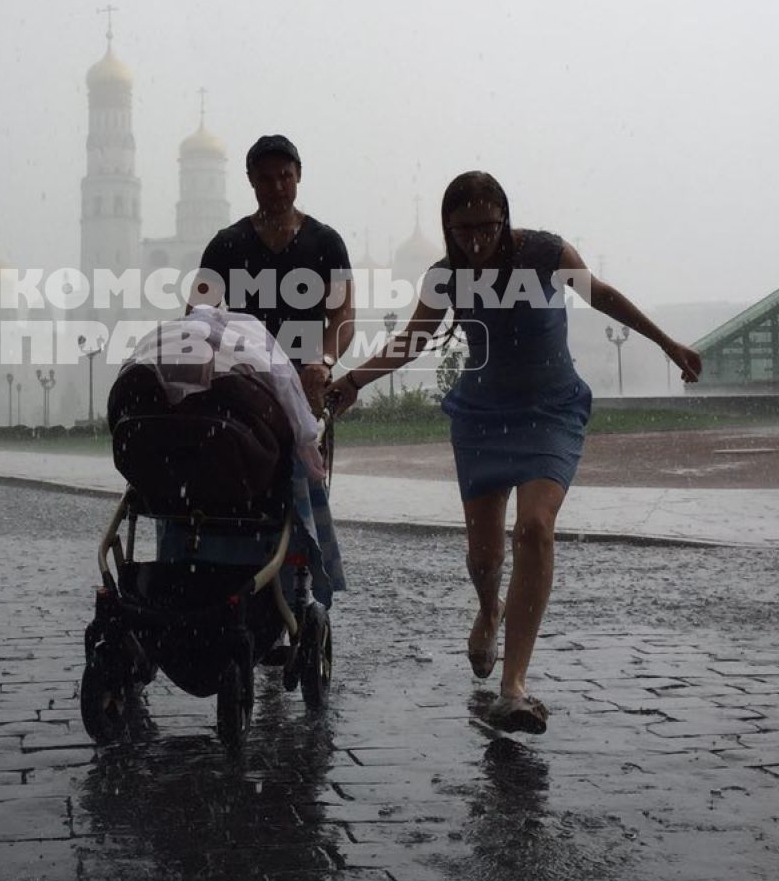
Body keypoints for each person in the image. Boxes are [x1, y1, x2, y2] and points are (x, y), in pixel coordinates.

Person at [329, 171, 701, 734]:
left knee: (535, 529)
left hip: (551, 411)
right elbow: (412, 341)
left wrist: (668, 343)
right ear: (448, 229)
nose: (476, 240)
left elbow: (602, 295)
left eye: (486, 227)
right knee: (484, 560)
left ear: (505, 219)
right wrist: (354, 380)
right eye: (463, 231)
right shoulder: (445, 276)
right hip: (481, 416)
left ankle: (515, 687)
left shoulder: (546, 253)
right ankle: (488, 608)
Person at [189, 133, 353, 612]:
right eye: (267, 178)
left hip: (303, 392)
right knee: (237, 485)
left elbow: (342, 319)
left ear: (299, 176)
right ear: (250, 182)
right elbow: (198, 312)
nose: (278, 187)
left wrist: (321, 362)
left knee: (294, 490)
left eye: (286, 176)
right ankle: (242, 586)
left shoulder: (326, 243)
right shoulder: (226, 245)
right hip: (243, 390)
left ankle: (295, 589)